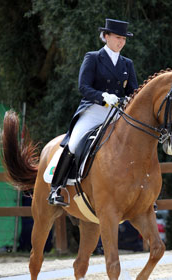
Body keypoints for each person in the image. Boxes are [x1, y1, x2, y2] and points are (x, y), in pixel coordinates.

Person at [48, 18, 138, 206]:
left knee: (137, 143)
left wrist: (130, 99)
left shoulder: (127, 64)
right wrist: (103, 96)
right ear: (106, 36)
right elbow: (83, 87)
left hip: (117, 114)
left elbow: (133, 91)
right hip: (94, 110)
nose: (121, 42)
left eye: (123, 38)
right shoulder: (93, 58)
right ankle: (56, 188)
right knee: (73, 144)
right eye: (117, 37)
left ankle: (142, 190)